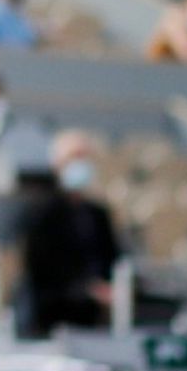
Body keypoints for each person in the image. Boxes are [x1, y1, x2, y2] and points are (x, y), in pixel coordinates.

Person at [22, 129, 121, 337]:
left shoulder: (98, 214)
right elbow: (41, 271)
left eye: (84, 158)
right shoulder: (42, 212)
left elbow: (113, 258)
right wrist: (86, 290)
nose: (80, 165)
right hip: (55, 317)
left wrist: (109, 287)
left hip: (97, 318)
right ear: (57, 164)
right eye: (73, 158)